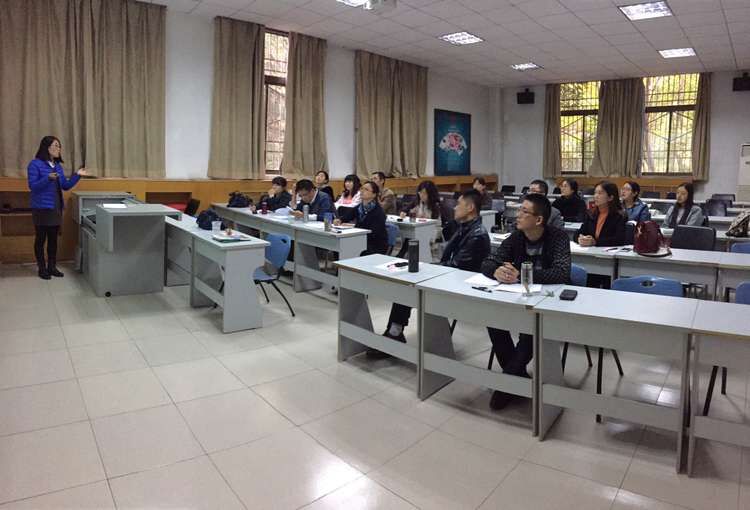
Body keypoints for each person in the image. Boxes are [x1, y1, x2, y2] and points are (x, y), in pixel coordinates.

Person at [372, 190, 490, 358]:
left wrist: (428, 268)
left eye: (459, 204)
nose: (455, 208)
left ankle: (395, 333)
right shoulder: (464, 227)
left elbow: (456, 267)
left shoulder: (477, 234)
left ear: (470, 208)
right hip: (450, 277)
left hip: (461, 287)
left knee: (411, 286)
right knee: (406, 285)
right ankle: (395, 332)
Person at [481, 193, 570, 409]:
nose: (518, 215)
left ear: (538, 220)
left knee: (532, 328)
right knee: (493, 320)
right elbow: (488, 261)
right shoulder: (516, 237)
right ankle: (517, 375)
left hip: (548, 302)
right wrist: (496, 271)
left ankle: (507, 383)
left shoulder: (558, 237)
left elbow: (561, 273)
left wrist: (522, 274)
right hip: (518, 298)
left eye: (524, 211)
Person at [27, 136, 88, 279]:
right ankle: (42, 268)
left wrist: (77, 175)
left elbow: (65, 186)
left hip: (55, 207)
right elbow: (33, 186)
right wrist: (47, 178)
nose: (58, 149)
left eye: (59, 146)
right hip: (41, 208)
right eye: (55, 145)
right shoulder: (35, 164)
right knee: (41, 239)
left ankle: (52, 267)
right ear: (46, 147)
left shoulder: (57, 166)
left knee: (53, 239)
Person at [335, 180, 388, 256]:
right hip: (360, 239)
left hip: (374, 244)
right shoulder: (359, 207)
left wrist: (353, 228)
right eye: (362, 189)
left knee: (345, 246)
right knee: (339, 245)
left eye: (366, 189)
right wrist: (339, 220)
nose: (362, 191)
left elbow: (373, 233)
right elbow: (347, 217)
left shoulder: (378, 212)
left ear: (374, 194)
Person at [575, 181, 627, 247]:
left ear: (610, 198)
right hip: (591, 250)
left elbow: (619, 240)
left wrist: (595, 242)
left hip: (608, 252)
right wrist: (580, 239)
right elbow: (577, 234)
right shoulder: (591, 214)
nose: (596, 196)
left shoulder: (619, 216)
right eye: (595, 193)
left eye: (600, 193)